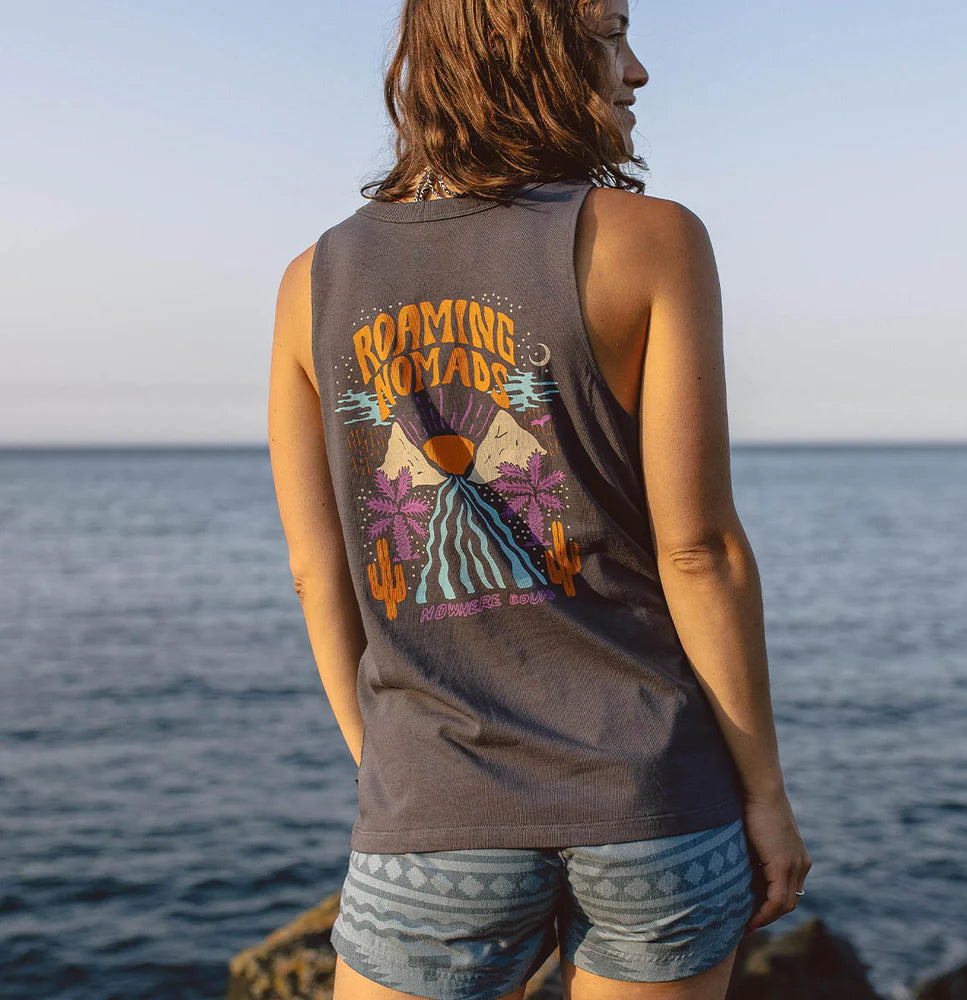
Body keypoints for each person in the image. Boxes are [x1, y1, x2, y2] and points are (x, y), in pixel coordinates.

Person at [268, 0, 811, 998]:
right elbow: (698, 552)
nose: (637, 70)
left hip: (432, 803)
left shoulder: (312, 282)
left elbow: (317, 571)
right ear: (524, 46)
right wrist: (766, 793)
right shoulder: (653, 242)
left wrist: (393, 767)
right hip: (654, 798)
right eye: (610, 34)